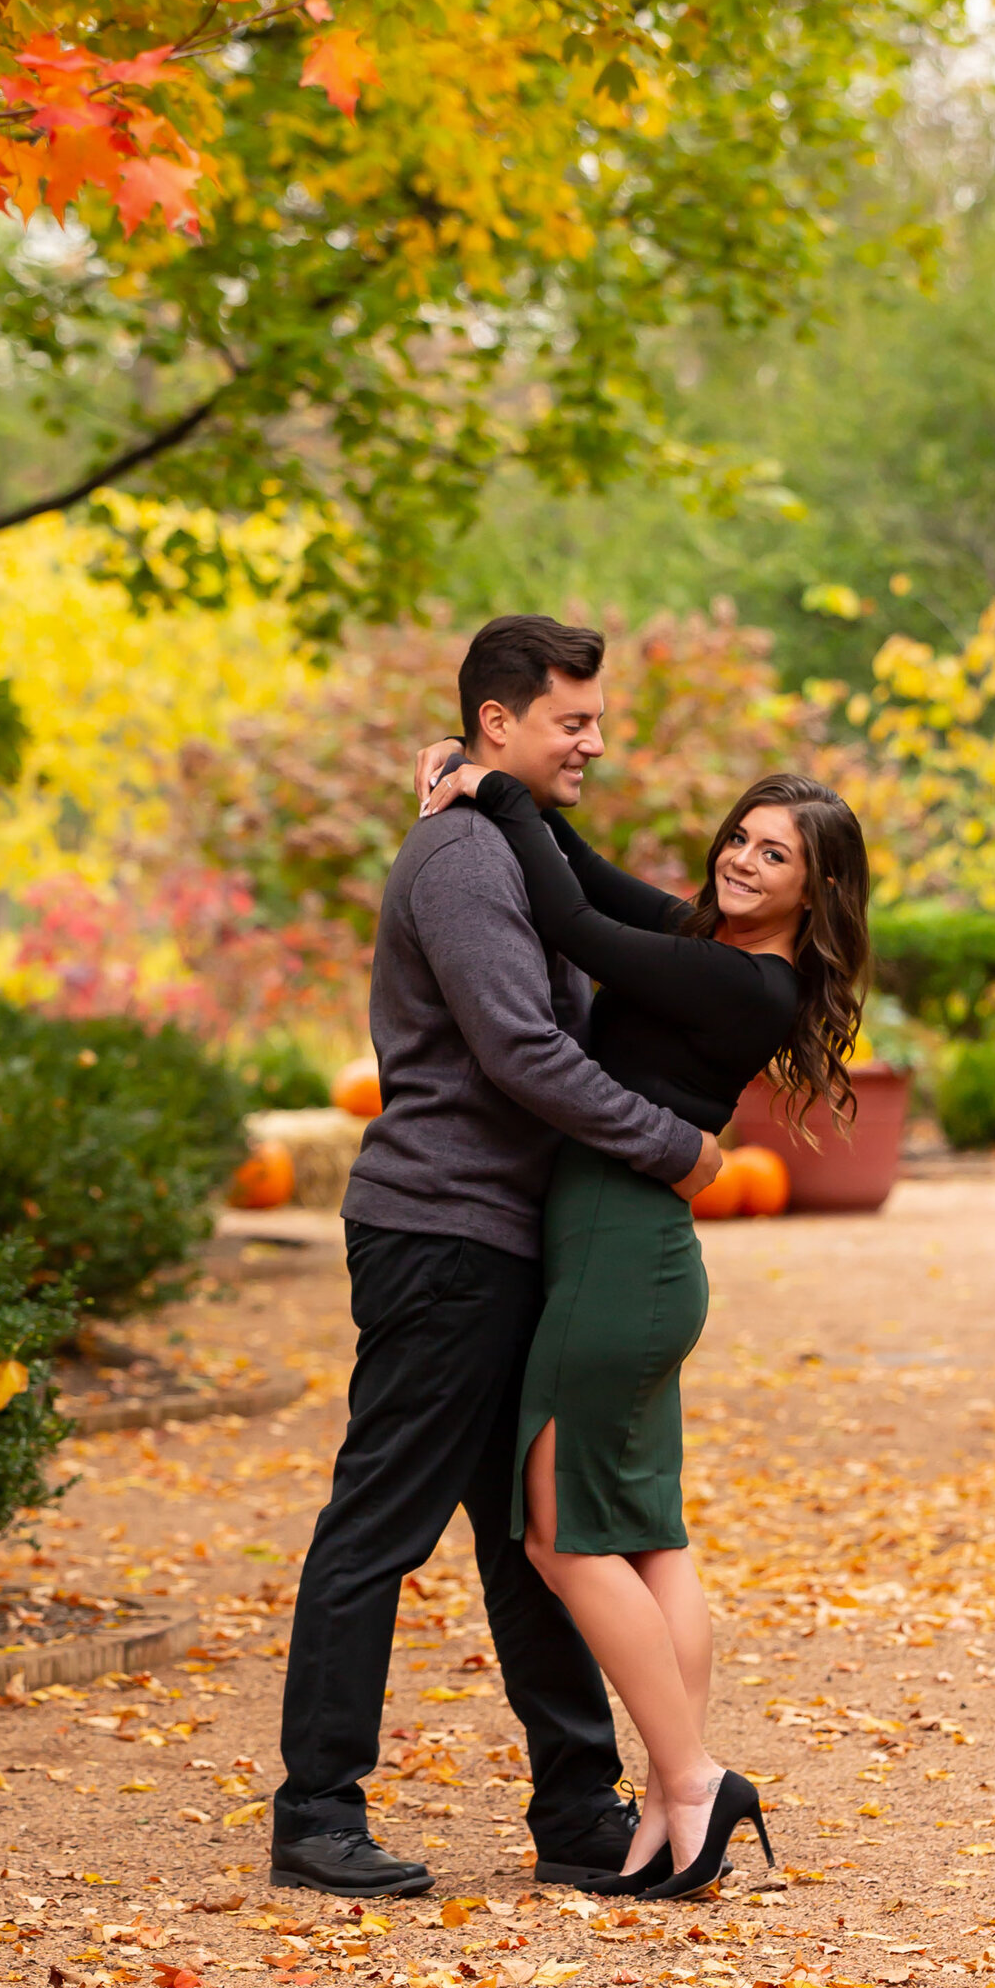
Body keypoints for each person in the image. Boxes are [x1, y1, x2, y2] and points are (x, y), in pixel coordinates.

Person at [271, 617, 723, 1903]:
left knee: (533, 1535)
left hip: (509, 1240)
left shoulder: (504, 839)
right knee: (381, 1521)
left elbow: (604, 923)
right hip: (442, 1235)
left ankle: (578, 1808)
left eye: (595, 718)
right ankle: (316, 1810)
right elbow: (522, 1049)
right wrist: (671, 1147)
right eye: (571, 721)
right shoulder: (463, 859)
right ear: (496, 723)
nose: (594, 740)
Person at [420, 749, 870, 1897]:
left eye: (777, 856)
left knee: (560, 1539)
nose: (744, 860)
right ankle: (680, 1805)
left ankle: (689, 1776)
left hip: (618, 1254)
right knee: (648, 1536)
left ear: (815, 894)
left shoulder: (742, 984)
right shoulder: (712, 948)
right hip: (638, 1256)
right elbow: (595, 872)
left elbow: (570, 921)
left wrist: (500, 797)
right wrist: (497, 780)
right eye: (741, 837)